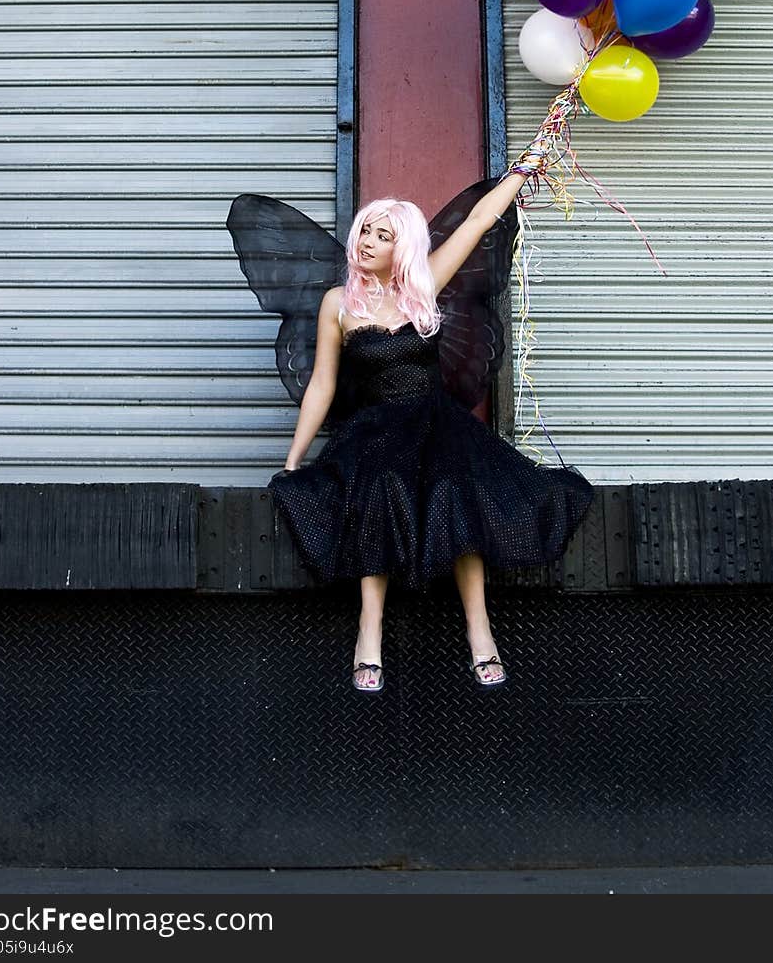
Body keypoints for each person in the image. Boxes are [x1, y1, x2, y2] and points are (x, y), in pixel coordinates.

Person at [229, 126, 594, 695]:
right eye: (365, 231)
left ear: (405, 246)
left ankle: (480, 630)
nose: (368, 241)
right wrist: (295, 456)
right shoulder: (338, 303)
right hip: (373, 430)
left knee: (458, 491)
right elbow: (324, 384)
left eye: (383, 234)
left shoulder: (423, 287)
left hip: (435, 421)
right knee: (377, 493)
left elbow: (476, 223)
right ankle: (368, 632)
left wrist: (522, 172)